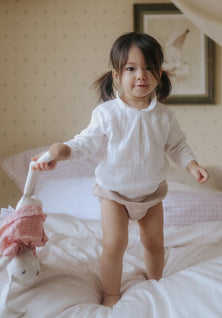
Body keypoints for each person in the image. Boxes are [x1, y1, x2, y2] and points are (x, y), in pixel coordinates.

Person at [32, 32, 209, 308]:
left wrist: (191, 164)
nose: (141, 75)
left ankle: (155, 281)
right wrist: (64, 150)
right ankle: (111, 292)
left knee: (154, 243)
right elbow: (86, 142)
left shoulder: (164, 116)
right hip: (114, 193)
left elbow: (177, 145)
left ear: (159, 73)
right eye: (131, 68)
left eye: (149, 68)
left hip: (151, 195)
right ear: (116, 75)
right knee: (115, 245)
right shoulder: (108, 113)